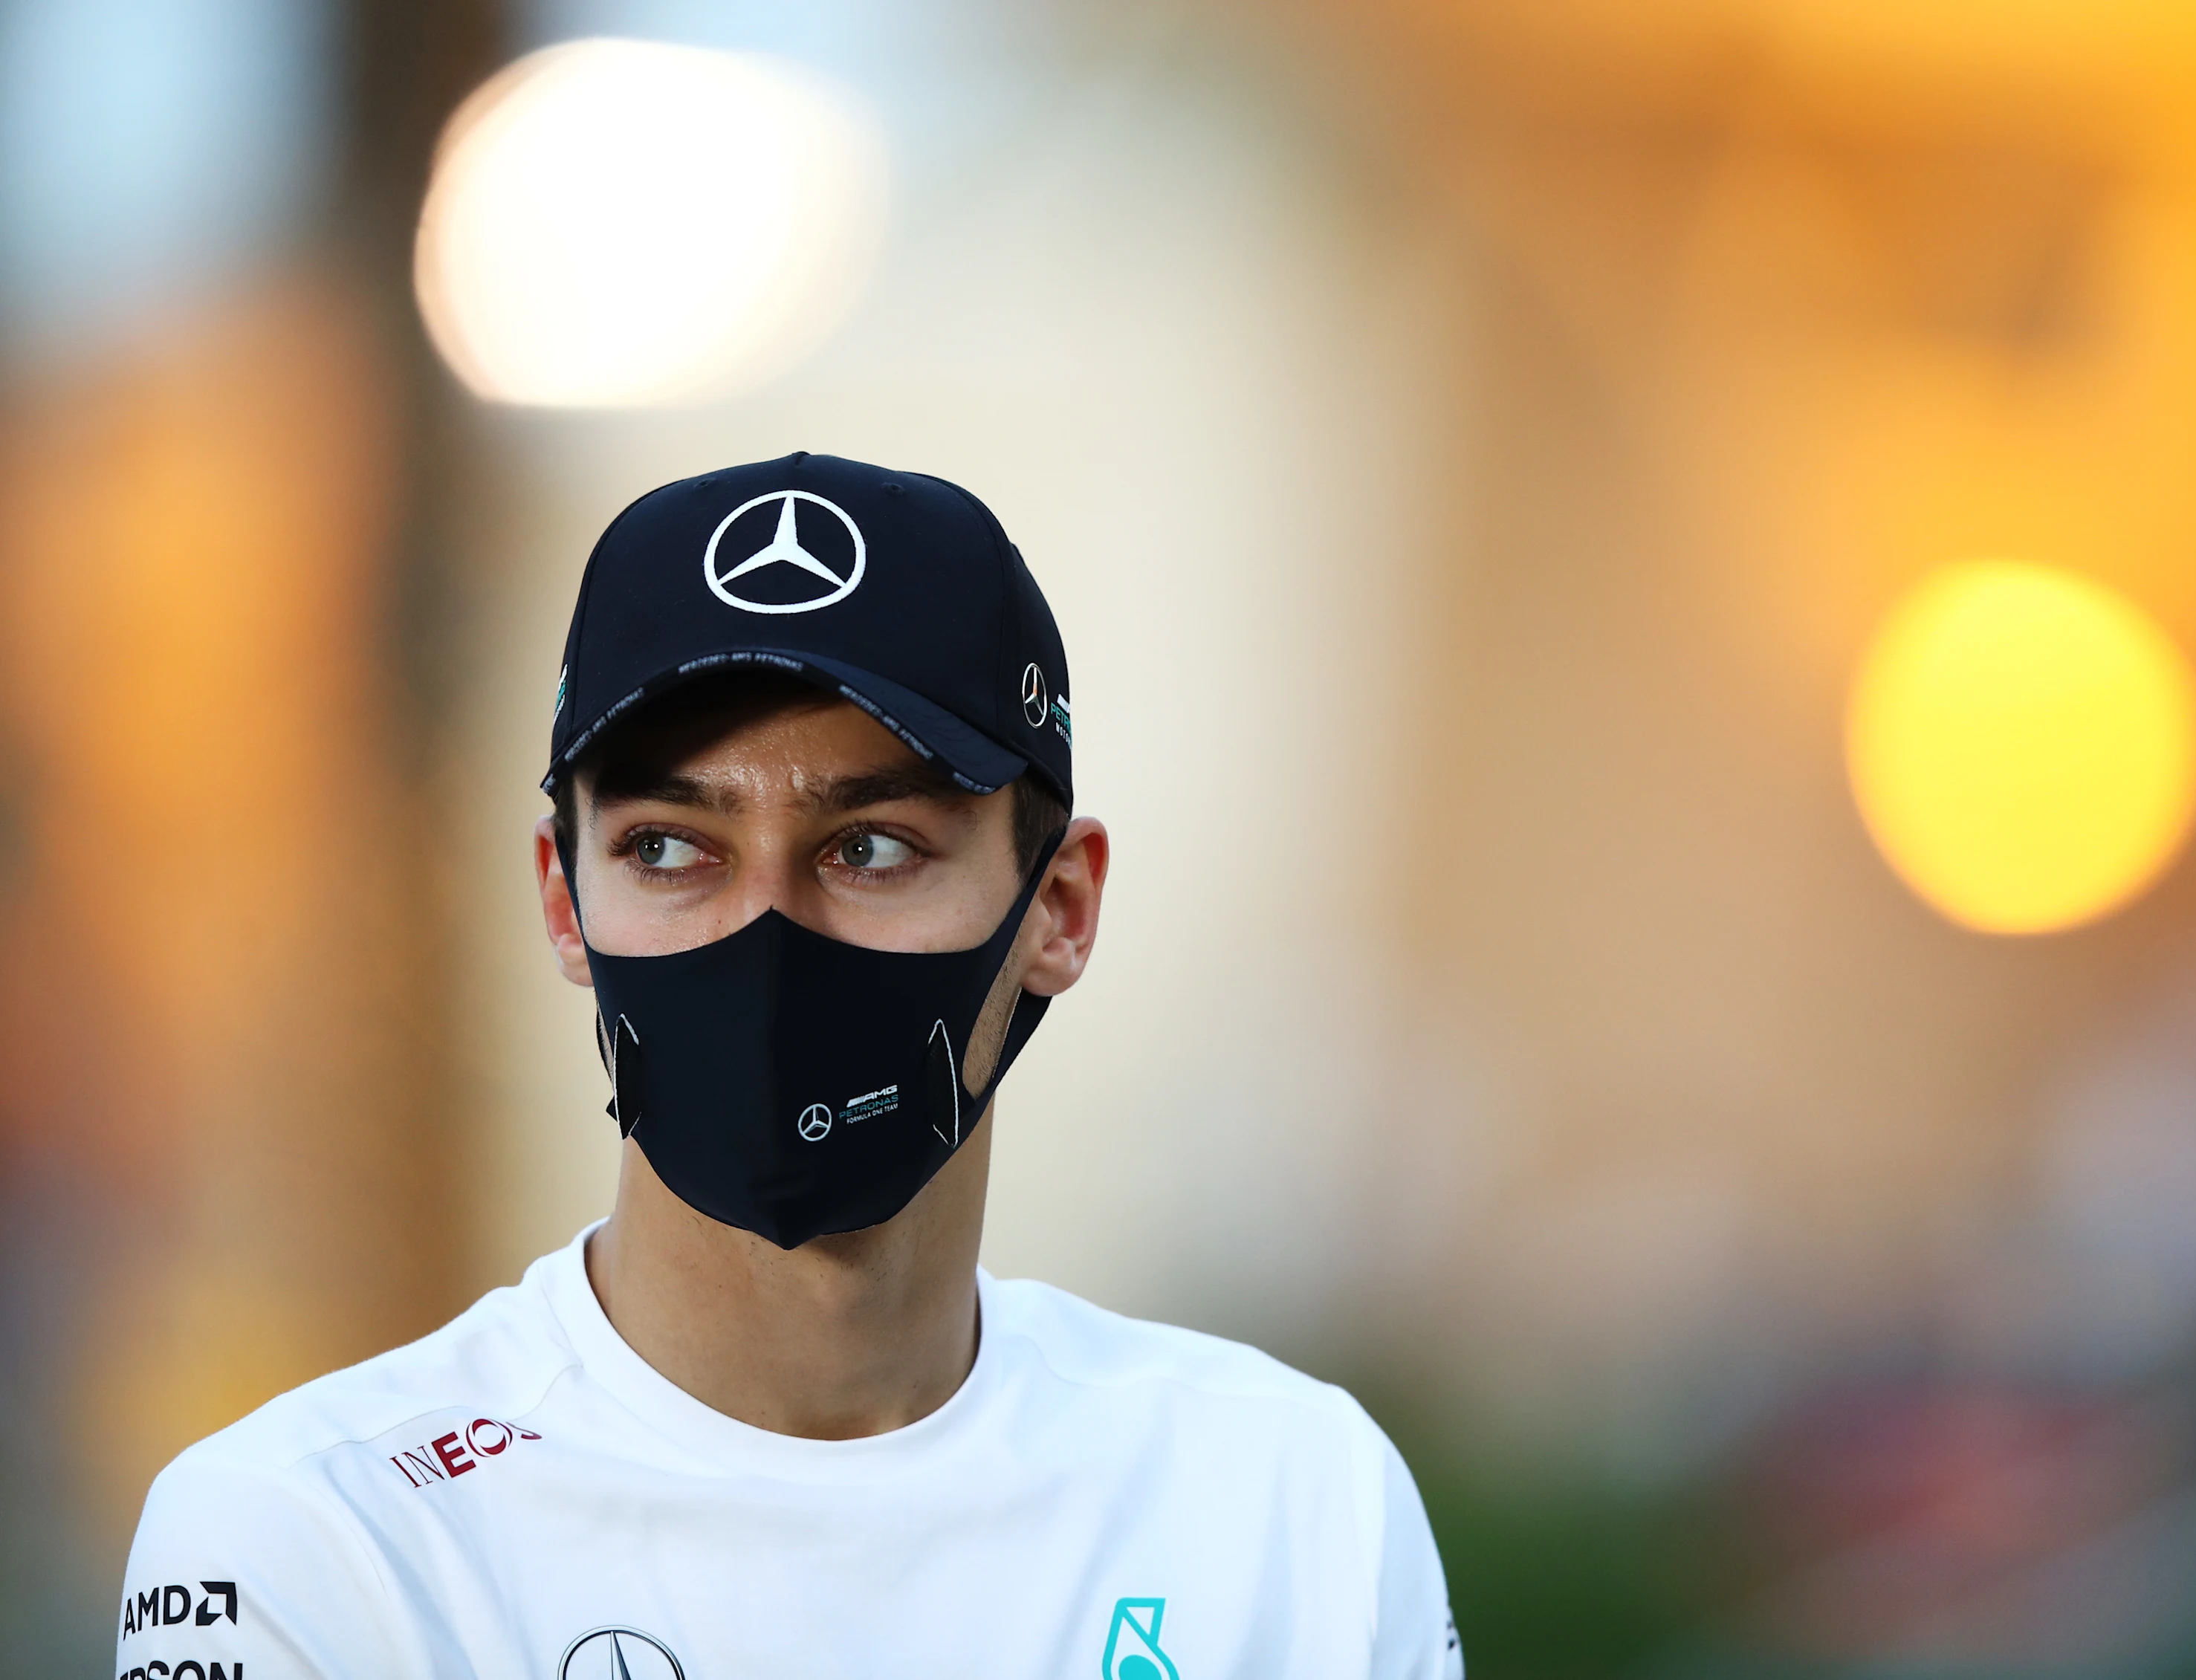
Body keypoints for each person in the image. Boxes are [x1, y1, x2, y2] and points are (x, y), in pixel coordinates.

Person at [114, 453, 1461, 1679]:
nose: (765, 939)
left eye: (871, 845)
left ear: (1059, 909)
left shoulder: (1286, 1506)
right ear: (562, 900)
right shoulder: (320, 1540)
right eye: (667, 847)